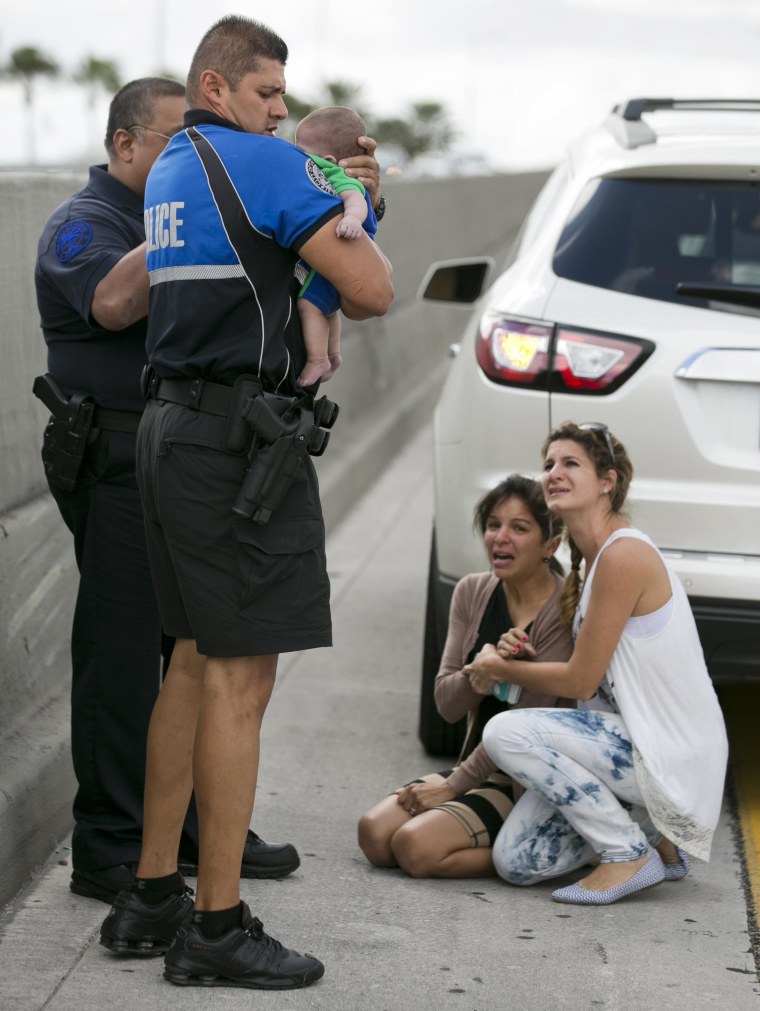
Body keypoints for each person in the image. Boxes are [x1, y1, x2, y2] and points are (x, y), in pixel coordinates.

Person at [32, 76, 379, 903]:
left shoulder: (189, 196)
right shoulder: (85, 224)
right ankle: (111, 846)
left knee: (196, 656)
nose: (190, 155)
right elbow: (112, 303)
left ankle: (188, 827)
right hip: (117, 453)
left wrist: (316, 194)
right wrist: (208, 212)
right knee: (124, 657)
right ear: (125, 144)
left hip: (188, 450)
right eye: (174, 142)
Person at [99, 16, 393, 991]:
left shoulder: (172, 169)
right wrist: (364, 205)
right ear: (216, 87)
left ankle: (152, 894)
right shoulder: (265, 163)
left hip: (166, 429)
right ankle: (217, 924)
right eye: (266, 92)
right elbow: (371, 290)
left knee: (188, 664)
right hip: (234, 446)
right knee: (239, 681)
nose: (280, 110)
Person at [480, 421, 729, 905]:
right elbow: (599, 677)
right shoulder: (594, 560)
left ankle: (627, 853)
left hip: (666, 753)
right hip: (626, 745)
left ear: (607, 482)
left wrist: (499, 668)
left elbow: (581, 679)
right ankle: (656, 836)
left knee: (505, 733)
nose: (553, 472)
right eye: (549, 464)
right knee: (517, 861)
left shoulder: (624, 555)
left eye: (570, 463)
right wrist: (529, 660)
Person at [358, 475, 574, 878]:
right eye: (493, 525)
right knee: (374, 834)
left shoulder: (562, 610)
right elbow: (446, 704)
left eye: (519, 528)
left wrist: (451, 787)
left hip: (525, 782)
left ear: (550, 545)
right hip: (476, 769)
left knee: (414, 848)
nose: (500, 538)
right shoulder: (472, 591)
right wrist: (482, 670)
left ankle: (551, 851)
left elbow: (522, 728)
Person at [292, 106, 379, 387]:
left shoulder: (331, 172)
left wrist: (352, 219)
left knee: (309, 304)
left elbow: (355, 198)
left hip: (348, 247)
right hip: (348, 252)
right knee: (327, 307)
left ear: (328, 159)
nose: (296, 155)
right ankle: (333, 354)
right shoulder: (324, 170)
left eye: (301, 150)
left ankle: (318, 360)